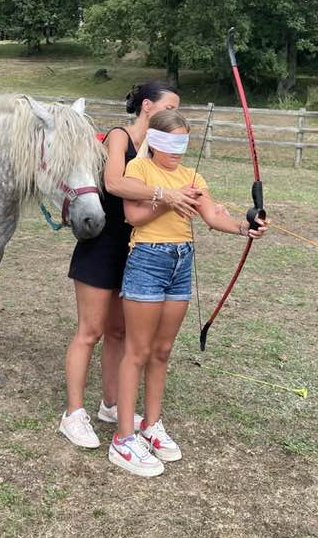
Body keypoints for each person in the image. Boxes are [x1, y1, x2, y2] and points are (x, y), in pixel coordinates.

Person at [108, 109, 269, 477]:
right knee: (138, 350)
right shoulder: (141, 170)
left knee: (162, 351)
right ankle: (123, 437)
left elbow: (213, 216)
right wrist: (167, 198)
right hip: (148, 259)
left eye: (184, 142)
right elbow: (132, 216)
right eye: (171, 142)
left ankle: (150, 425)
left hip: (181, 263)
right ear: (154, 140)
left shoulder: (192, 176)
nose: (178, 151)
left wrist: (245, 227)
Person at [58, 82, 202, 449]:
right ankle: (73, 414)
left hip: (139, 254)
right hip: (104, 246)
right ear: (148, 106)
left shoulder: (159, 154)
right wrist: (165, 195)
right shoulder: (121, 137)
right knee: (89, 331)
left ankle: (110, 405)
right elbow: (114, 182)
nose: (175, 114)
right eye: (170, 106)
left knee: (120, 333)